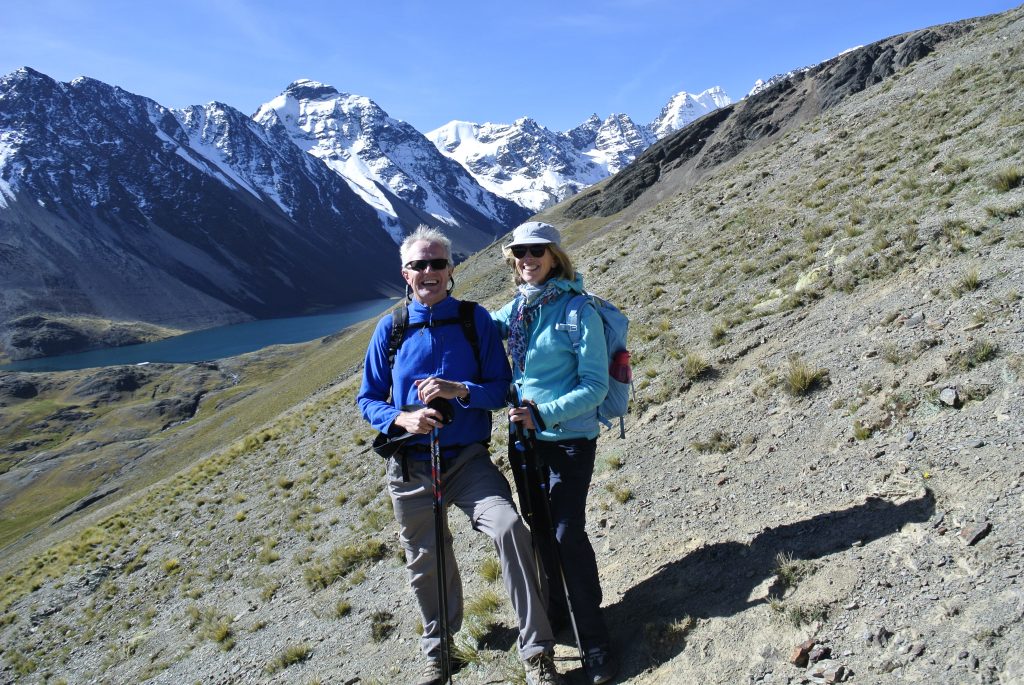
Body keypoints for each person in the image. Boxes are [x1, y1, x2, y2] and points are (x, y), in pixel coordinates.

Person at [357, 225, 563, 685]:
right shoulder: (389, 328)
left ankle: (538, 653)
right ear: (405, 273)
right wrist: (402, 419)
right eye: (419, 265)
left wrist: (459, 391)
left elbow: (499, 390)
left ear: (451, 269)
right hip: (410, 467)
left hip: (468, 461)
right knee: (426, 559)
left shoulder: (475, 321)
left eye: (437, 263)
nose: (428, 272)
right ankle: (440, 649)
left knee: (509, 529)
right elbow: (368, 398)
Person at [492, 221, 617, 685]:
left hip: (567, 439)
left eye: (536, 252)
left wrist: (541, 413)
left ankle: (597, 641)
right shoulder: (517, 311)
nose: (527, 260)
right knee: (540, 532)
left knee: (566, 534)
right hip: (525, 441)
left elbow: (595, 386)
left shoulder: (577, 310)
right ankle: (560, 616)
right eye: (520, 253)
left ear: (554, 256)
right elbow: (480, 330)